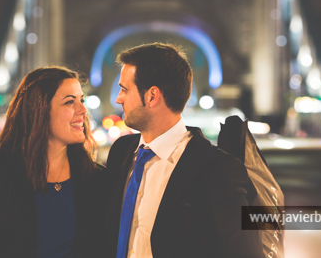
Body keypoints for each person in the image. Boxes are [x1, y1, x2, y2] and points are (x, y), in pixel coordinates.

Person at [104, 43, 262, 258]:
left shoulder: (218, 170)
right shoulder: (121, 152)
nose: (118, 98)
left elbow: (245, 253)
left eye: (124, 89)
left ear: (152, 96)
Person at [0, 66, 104, 258]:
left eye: (82, 100)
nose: (83, 110)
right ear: (39, 110)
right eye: (69, 102)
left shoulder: (96, 179)